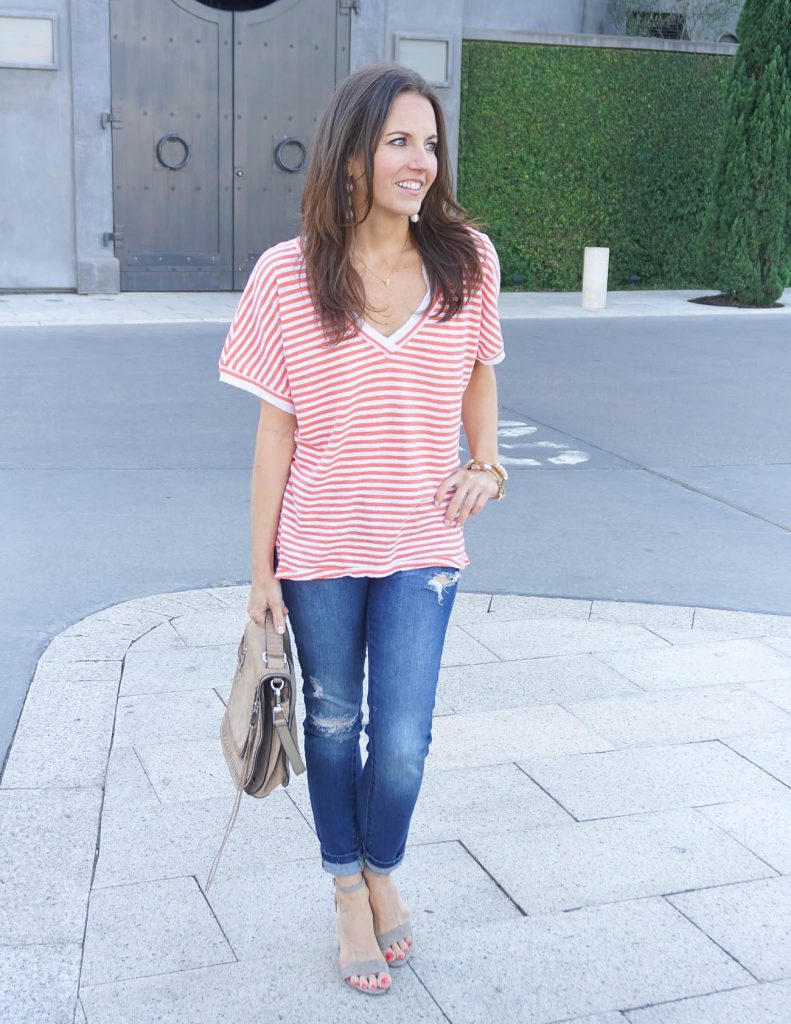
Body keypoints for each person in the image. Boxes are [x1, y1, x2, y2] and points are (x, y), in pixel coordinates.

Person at [217, 61, 507, 996]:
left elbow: (477, 370)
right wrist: (258, 567)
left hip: (424, 545)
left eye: (428, 143)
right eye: (398, 142)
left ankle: (384, 865)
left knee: (407, 736)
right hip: (319, 548)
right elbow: (274, 428)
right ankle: (348, 886)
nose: (419, 161)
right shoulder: (286, 274)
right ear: (352, 154)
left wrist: (486, 461)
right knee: (334, 722)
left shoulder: (469, 257)